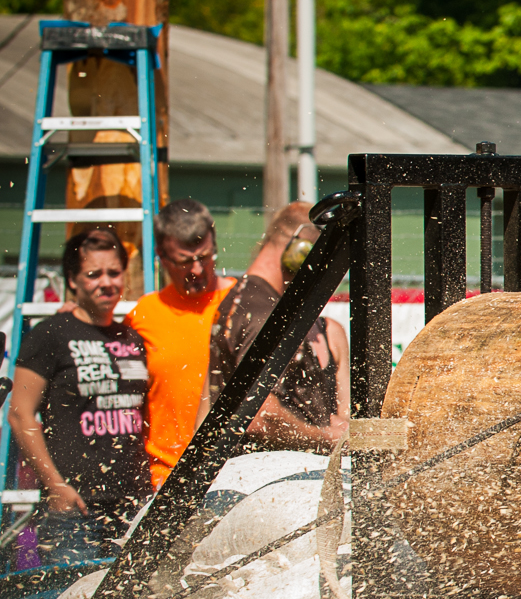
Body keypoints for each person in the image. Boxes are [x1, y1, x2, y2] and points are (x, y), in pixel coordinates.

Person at [8, 228, 152, 563]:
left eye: (114, 273)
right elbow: (19, 413)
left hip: (132, 506)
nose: (106, 282)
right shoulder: (50, 335)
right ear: (73, 280)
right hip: (75, 509)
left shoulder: (132, 338)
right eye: (93, 274)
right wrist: (55, 486)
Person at [201, 202, 349, 452]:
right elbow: (259, 416)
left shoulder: (237, 302)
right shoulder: (265, 314)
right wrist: (325, 436)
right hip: (269, 477)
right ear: (300, 250)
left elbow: (206, 403)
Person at [127, 199, 236, 487]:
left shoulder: (242, 303)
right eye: (185, 261)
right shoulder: (143, 314)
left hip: (235, 474)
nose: (198, 270)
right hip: (166, 478)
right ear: (161, 256)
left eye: (207, 256)